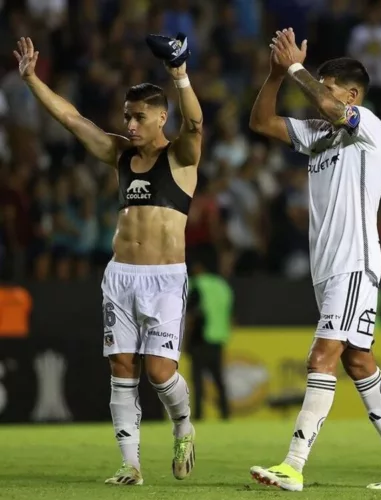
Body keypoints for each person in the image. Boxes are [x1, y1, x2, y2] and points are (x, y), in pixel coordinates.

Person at [13, 35, 202, 485]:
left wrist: (179, 75)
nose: (131, 124)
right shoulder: (118, 154)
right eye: (126, 117)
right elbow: (70, 118)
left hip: (164, 279)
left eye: (139, 117)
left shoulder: (180, 157)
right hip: (120, 276)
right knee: (121, 365)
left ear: (161, 117)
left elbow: (195, 125)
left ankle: (183, 424)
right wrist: (32, 80)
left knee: (159, 374)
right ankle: (130, 465)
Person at [246, 28, 381, 491]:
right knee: (358, 361)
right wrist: (274, 76)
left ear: (351, 95)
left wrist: (295, 69)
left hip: (353, 260)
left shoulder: (367, 126)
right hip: (326, 266)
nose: (316, 94)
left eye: (326, 86)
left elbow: (329, 107)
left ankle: (294, 464)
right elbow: (262, 122)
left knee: (321, 356)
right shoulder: (318, 136)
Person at [186, 253, 233, 421]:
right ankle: (226, 413)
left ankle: (199, 415)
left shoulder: (197, 285)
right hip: (218, 337)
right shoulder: (222, 286)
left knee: (198, 380)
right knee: (219, 380)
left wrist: (186, 339)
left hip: (200, 338)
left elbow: (192, 314)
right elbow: (229, 313)